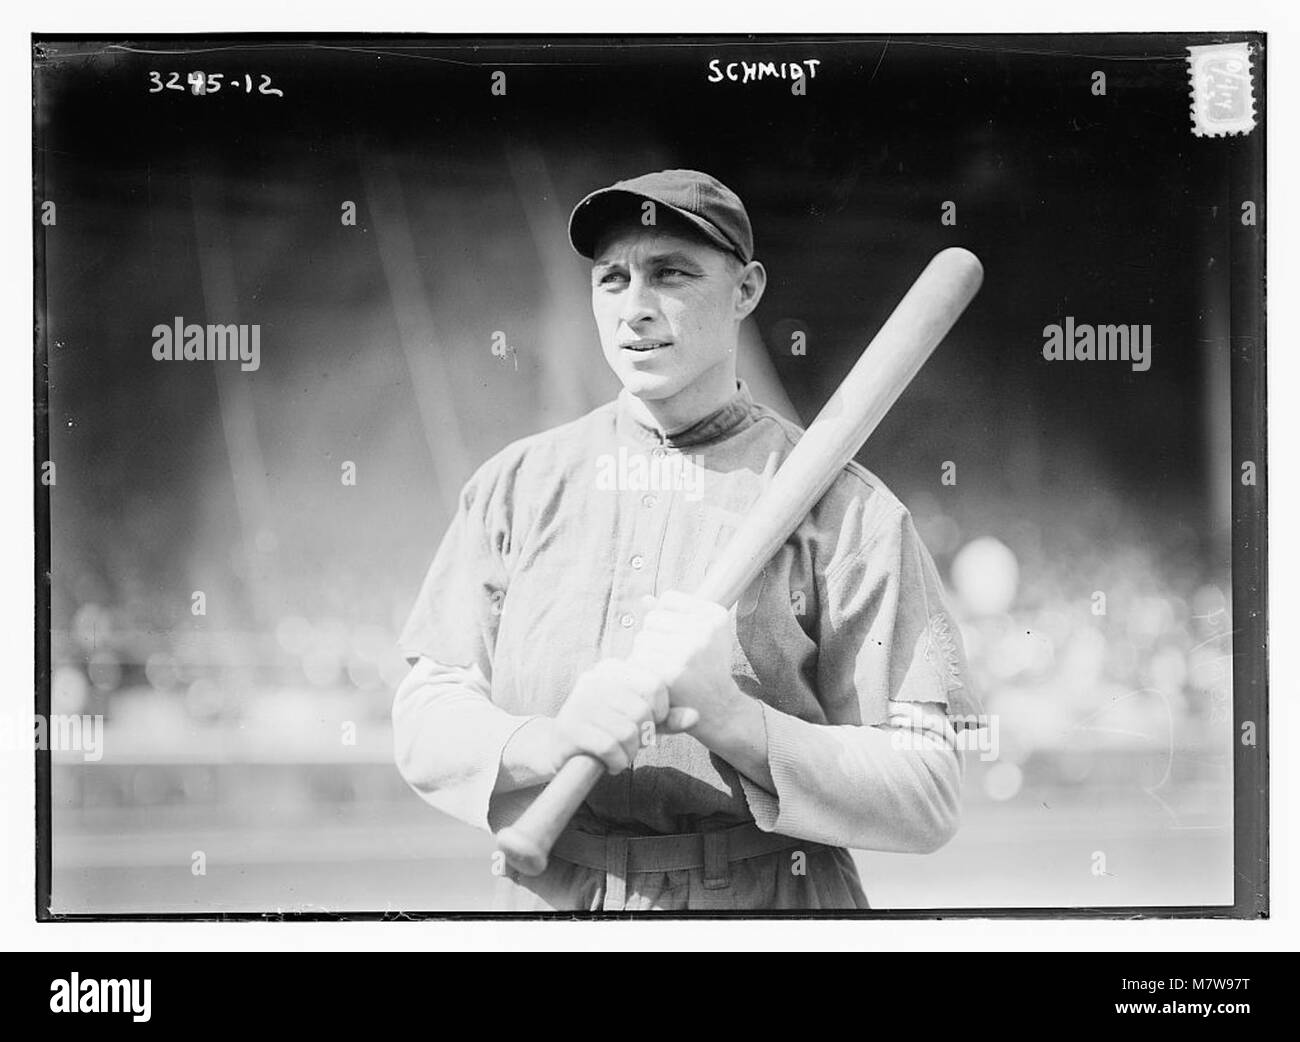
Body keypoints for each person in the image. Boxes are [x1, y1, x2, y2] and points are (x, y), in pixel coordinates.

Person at [392, 169, 982, 911]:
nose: (634, 309)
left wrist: (733, 720)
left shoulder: (851, 510)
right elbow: (424, 717)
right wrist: (548, 740)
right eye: (612, 279)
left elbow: (927, 791)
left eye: (670, 274)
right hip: (553, 898)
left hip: (767, 905)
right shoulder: (516, 484)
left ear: (746, 290)